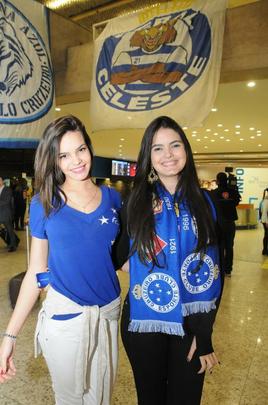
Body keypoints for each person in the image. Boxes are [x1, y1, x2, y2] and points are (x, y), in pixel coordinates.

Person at [0, 115, 121, 405]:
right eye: (64, 155)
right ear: (53, 161)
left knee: (102, 398)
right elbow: (35, 271)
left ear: (89, 148)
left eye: (81, 149)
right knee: (69, 400)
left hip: (108, 315)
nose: (76, 160)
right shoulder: (44, 202)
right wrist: (10, 337)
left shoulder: (114, 199)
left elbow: (119, 257)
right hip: (66, 315)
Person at [114, 116, 223, 405]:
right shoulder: (136, 200)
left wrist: (204, 333)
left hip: (190, 322)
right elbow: (115, 253)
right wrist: (141, 268)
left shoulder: (206, 201)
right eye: (158, 148)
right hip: (144, 320)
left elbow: (214, 271)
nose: (168, 155)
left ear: (186, 150)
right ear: (148, 156)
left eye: (175, 145)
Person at [211, 172, 241, 277]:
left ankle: (220, 268)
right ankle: (228, 270)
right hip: (230, 223)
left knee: (219, 246)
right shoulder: (233, 192)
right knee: (229, 246)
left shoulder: (213, 193)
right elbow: (237, 202)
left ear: (217, 181)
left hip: (218, 224)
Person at [0, 176, 18, 252]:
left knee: (9, 230)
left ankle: (13, 246)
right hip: (1, 213)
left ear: (2, 181)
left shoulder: (7, 189)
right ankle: (10, 243)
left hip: (6, 213)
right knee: (8, 230)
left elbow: (6, 201)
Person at [260, 188, 268, 255]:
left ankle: (265, 250)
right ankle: (265, 250)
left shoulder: (264, 200)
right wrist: (267, 222)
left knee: (266, 235)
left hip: (264, 220)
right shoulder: (266, 200)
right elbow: (265, 212)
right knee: (266, 235)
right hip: (266, 221)